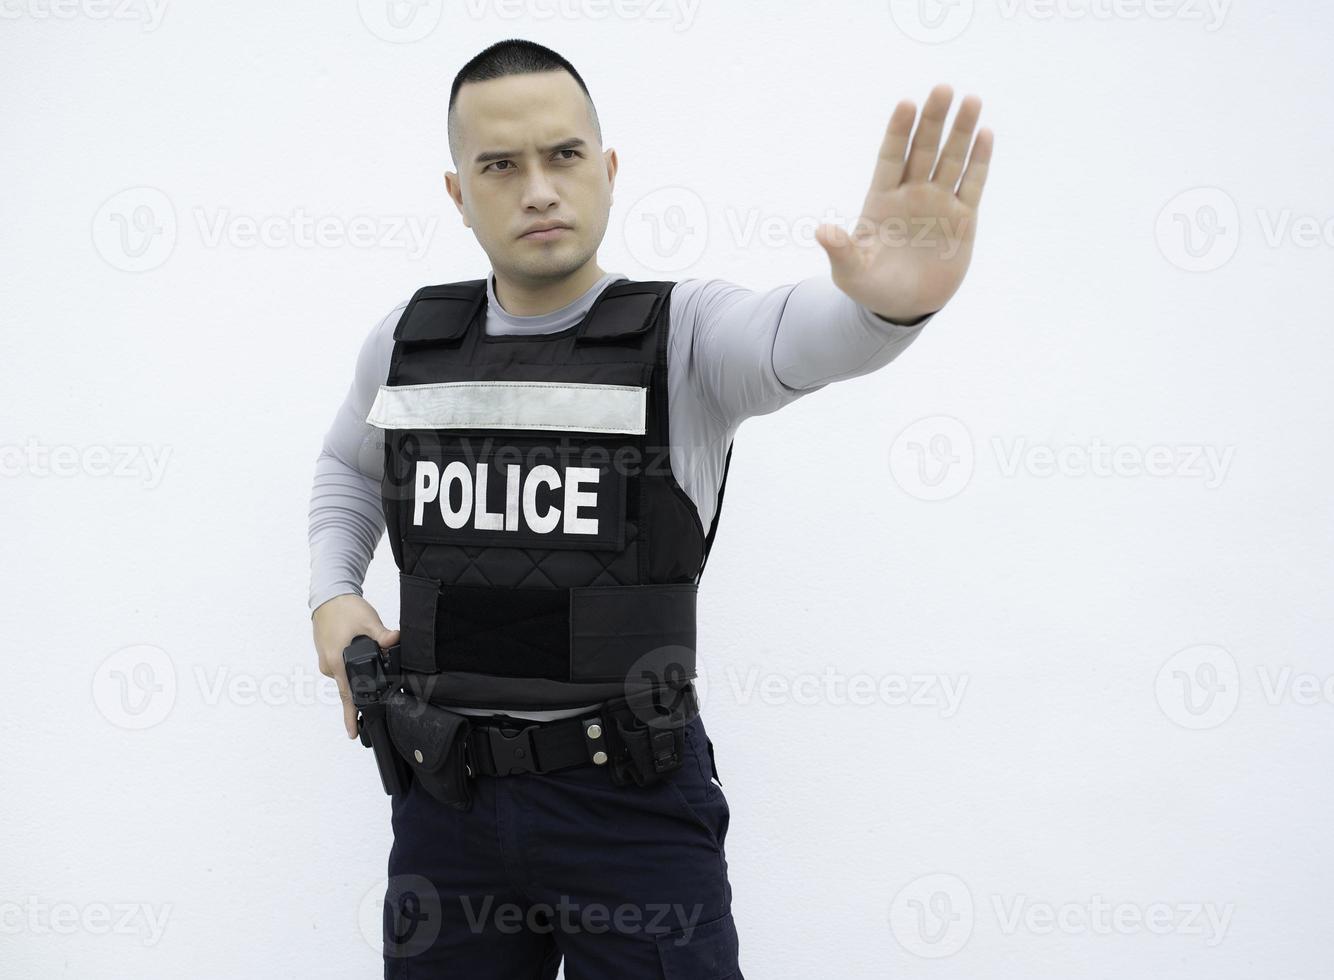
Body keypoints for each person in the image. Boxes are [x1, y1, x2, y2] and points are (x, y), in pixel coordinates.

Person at [307, 38, 993, 979]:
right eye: (500, 166)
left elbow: (799, 334)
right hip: (443, 812)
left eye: (564, 156)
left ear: (609, 170)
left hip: (629, 815)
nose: (538, 188)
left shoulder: (688, 334)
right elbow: (348, 466)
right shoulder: (407, 338)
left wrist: (881, 313)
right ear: (458, 194)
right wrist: (330, 593)